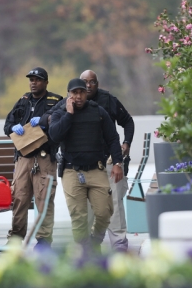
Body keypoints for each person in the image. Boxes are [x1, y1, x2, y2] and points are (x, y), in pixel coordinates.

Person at [49, 78, 124, 251]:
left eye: (81, 92)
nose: (79, 96)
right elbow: (54, 136)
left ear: (86, 93)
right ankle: (84, 250)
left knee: (104, 212)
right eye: (74, 93)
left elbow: (112, 138)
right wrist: (68, 114)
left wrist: (118, 162)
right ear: (69, 94)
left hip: (96, 169)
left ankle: (95, 241)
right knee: (79, 216)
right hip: (71, 171)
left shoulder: (97, 111)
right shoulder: (60, 112)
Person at [3, 67, 63, 249]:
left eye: (37, 79)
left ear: (46, 82)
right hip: (23, 158)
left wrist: (45, 121)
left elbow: (63, 123)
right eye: (31, 79)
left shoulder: (56, 101)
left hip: (45, 157)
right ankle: (15, 239)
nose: (33, 82)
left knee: (44, 199)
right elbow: (7, 125)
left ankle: (44, 241)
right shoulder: (23, 101)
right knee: (20, 198)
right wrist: (13, 127)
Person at [80, 70, 134, 252]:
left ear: (97, 83)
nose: (88, 86)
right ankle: (88, 244)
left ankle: (119, 243)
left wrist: (126, 143)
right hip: (85, 163)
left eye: (92, 82)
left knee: (115, 204)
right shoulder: (73, 101)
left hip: (110, 160)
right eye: (85, 82)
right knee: (86, 207)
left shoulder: (109, 100)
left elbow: (127, 121)